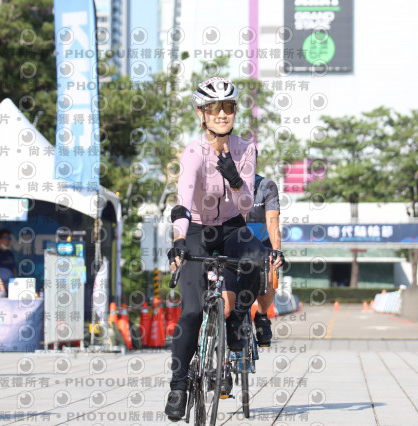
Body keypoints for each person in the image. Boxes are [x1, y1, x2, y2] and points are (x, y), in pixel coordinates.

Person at [164, 77, 266, 421]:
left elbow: (247, 204)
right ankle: (178, 386)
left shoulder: (245, 148)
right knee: (192, 310)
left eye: (228, 107)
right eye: (214, 108)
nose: (222, 114)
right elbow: (182, 201)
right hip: (196, 229)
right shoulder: (193, 153)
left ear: (235, 111)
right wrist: (179, 241)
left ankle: (237, 320)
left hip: (232, 226)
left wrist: (235, 180)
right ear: (201, 114)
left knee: (256, 259)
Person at [245, 156, 285, 346]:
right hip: (232, 239)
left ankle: (261, 316)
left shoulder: (267, 186)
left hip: (261, 242)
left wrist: (277, 250)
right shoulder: (222, 183)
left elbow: (272, 221)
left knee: (269, 276)